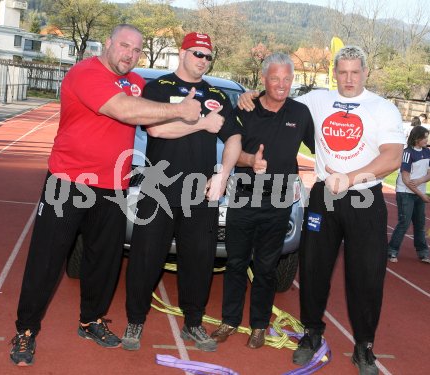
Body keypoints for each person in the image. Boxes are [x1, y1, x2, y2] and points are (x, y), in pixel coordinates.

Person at [9, 24, 202, 366]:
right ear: (108, 44)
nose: (130, 54)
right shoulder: (85, 73)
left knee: (105, 259)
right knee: (47, 259)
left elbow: (155, 120)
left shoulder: (137, 82)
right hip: (68, 182)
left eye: (137, 50)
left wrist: (214, 114)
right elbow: (124, 111)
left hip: (113, 186)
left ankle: (91, 320)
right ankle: (25, 330)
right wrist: (179, 110)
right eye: (125, 46)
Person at [238, 46, 405, 375]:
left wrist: (352, 177)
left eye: (355, 72)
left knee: (366, 275)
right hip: (324, 196)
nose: (348, 79)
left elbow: (392, 158)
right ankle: (311, 334)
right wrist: (251, 93)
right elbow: (278, 95)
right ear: (334, 72)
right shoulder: (316, 100)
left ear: (366, 72)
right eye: (342, 72)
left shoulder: (383, 108)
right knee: (313, 268)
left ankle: (363, 347)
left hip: (364, 197)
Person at [122, 32, 242, 352]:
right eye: (196, 53)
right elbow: (158, 129)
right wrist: (202, 124)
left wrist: (223, 174)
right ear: (182, 52)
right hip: (158, 188)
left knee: (199, 261)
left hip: (199, 193)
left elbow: (233, 138)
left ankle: (193, 323)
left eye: (207, 55)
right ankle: (135, 321)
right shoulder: (158, 88)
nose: (202, 60)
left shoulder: (218, 94)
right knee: (146, 258)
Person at [210, 53, 314, 349]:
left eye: (287, 79)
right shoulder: (245, 107)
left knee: (267, 268)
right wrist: (249, 160)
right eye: (275, 78)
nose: (281, 85)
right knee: (236, 263)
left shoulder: (301, 113)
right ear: (263, 79)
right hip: (243, 195)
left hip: (280, 201)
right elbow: (231, 148)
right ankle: (229, 321)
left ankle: (258, 326)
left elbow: (322, 148)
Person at [388, 125, 430, 263]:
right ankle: (392, 251)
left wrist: (419, 180)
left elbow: (428, 174)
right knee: (404, 223)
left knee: (420, 223)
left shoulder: (427, 152)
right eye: (424, 137)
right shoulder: (407, 153)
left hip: (418, 191)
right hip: (406, 192)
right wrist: (422, 195)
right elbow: (406, 179)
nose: (426, 140)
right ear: (417, 138)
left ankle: (423, 253)